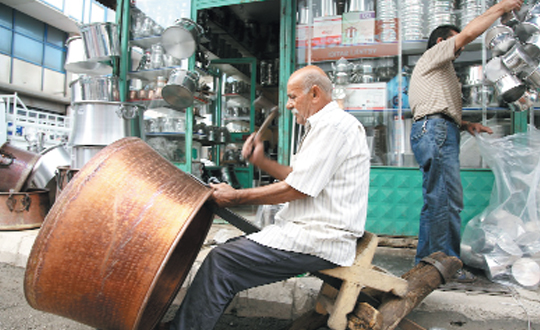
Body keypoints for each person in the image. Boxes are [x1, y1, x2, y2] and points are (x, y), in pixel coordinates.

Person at [157, 65, 371, 330]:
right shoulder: (326, 126)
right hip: (310, 233)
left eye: (293, 97)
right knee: (228, 257)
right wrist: (261, 161)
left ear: (314, 94)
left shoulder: (334, 127)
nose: (290, 105)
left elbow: (297, 188)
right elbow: (298, 177)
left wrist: (236, 197)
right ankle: (187, 323)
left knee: (222, 261)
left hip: (320, 239)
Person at [408, 0, 523, 283]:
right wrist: (500, 9)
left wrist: (466, 125)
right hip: (435, 131)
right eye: (454, 41)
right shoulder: (437, 53)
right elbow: (469, 33)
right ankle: (446, 265)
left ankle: (427, 264)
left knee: (436, 200)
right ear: (440, 41)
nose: (458, 48)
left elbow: (434, 105)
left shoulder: (437, 70)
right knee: (446, 201)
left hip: (435, 129)